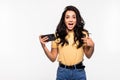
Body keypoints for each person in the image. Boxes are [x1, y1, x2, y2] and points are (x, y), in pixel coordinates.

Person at [39, 5, 94, 80]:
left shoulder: (83, 34)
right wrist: (44, 46)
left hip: (79, 71)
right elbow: (52, 58)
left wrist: (92, 46)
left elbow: (88, 55)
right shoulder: (57, 35)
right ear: (64, 20)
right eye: (67, 17)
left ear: (77, 19)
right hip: (63, 72)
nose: (70, 20)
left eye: (73, 17)